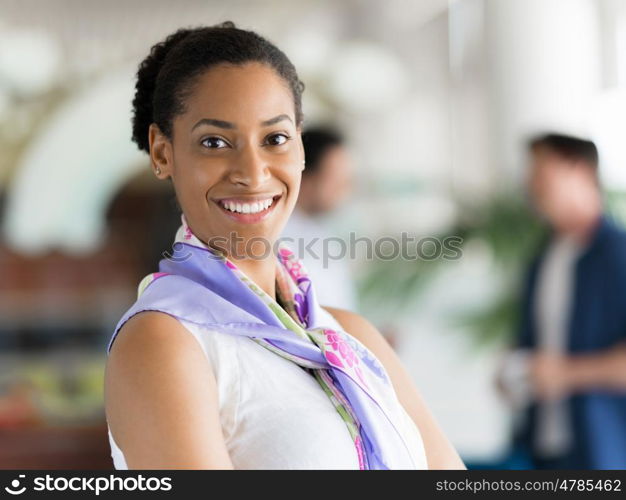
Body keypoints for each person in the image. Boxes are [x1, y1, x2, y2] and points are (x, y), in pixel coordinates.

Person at [103, 22, 464, 470]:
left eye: (275, 139)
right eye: (214, 142)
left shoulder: (350, 336)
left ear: (300, 145)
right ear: (162, 152)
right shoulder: (165, 342)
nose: (253, 174)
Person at [498, 133, 626, 469]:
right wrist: (513, 370)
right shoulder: (542, 259)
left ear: (579, 169)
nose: (531, 186)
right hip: (544, 448)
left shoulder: (618, 254)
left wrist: (567, 374)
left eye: (541, 173)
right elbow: (531, 343)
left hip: (604, 451)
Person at [280, 126, 358, 310]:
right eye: (336, 179)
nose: (344, 189)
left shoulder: (323, 234)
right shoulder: (278, 235)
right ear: (305, 176)